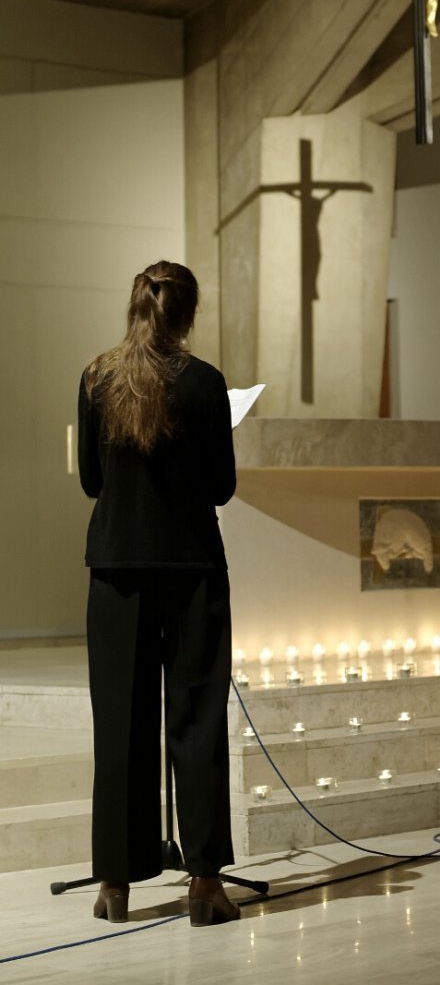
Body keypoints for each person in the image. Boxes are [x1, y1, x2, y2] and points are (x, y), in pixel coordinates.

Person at [78, 260, 240, 927]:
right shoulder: (204, 384)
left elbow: (92, 480)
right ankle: (204, 884)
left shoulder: (97, 378)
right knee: (197, 718)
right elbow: (221, 487)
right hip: (190, 567)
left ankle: (115, 886)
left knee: (121, 723)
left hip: (117, 568)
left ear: (136, 306)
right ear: (189, 314)